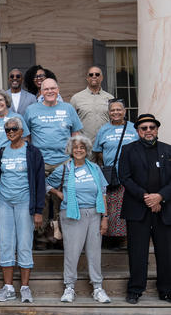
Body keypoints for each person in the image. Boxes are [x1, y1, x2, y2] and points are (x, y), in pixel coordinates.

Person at [47, 135, 111, 304]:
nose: (79, 150)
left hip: (95, 214)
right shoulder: (64, 169)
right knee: (72, 252)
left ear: (87, 150)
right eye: (75, 147)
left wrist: (105, 217)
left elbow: (103, 193)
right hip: (72, 215)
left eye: (82, 147)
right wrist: (59, 193)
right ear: (70, 150)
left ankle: (98, 287)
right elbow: (45, 183)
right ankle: (69, 287)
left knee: (94, 251)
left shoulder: (95, 168)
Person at [0, 117, 46, 303]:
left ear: (22, 131)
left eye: (14, 129)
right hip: (4, 202)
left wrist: (38, 210)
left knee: (24, 243)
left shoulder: (33, 152)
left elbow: (39, 182)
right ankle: (8, 288)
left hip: (25, 202)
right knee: (5, 243)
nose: (11, 132)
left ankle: (24, 287)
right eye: (7, 130)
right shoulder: (2, 152)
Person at [119, 114, 171, 304]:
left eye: (152, 127)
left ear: (157, 129)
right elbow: (124, 177)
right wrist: (147, 198)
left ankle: (166, 290)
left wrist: (161, 196)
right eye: (144, 128)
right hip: (137, 208)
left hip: (164, 209)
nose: (148, 131)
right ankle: (135, 289)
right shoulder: (128, 150)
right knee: (137, 252)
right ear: (138, 131)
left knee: (166, 252)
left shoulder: (168, 150)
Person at [25, 78, 83, 249]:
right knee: (41, 198)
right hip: (40, 161)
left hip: (64, 161)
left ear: (58, 90)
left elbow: (76, 134)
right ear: (41, 92)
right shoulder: (31, 110)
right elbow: (27, 137)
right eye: (46, 89)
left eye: (52, 88)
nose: (49, 91)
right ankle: (41, 235)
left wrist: (76, 158)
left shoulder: (68, 109)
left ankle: (62, 235)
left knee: (63, 198)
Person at [93, 99, 137, 249]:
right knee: (110, 206)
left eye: (119, 110)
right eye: (113, 110)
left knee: (126, 206)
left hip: (130, 175)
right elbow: (98, 151)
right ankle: (109, 238)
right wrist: (108, 165)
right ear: (109, 112)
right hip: (111, 175)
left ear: (124, 112)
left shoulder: (133, 129)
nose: (116, 112)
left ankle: (124, 238)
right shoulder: (104, 130)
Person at [70, 66, 114, 142]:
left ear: (102, 78)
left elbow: (114, 121)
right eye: (91, 75)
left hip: (105, 142)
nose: (94, 76)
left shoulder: (110, 98)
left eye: (97, 74)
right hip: (84, 145)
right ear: (87, 78)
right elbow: (71, 122)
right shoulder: (76, 98)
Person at [0, 89, 30, 156]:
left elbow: (25, 138)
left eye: (1, 100)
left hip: (13, 159)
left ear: (6, 101)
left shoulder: (17, 118)